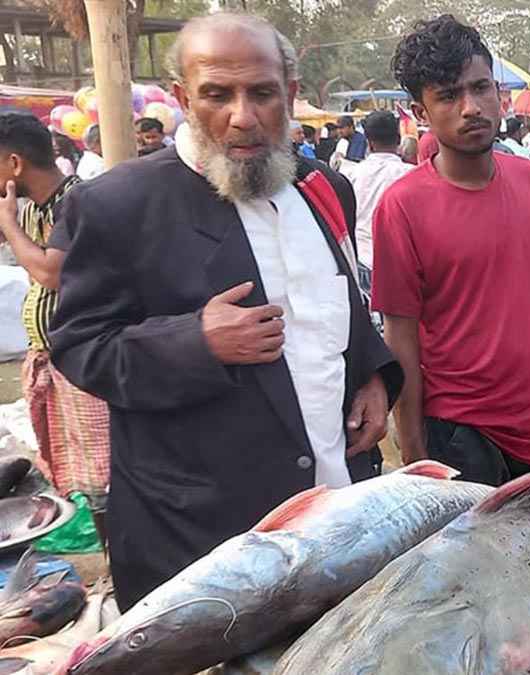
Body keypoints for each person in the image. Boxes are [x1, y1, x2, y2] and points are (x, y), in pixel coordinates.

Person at [48, 13, 402, 610]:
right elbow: (80, 346)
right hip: (204, 538)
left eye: (262, 93)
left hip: (335, 505)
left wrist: (372, 374)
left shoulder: (321, 187)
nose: (243, 116)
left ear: (289, 93)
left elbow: (340, 299)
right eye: (217, 94)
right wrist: (196, 342)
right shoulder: (115, 205)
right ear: (184, 98)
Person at [376, 15, 530, 486]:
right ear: (421, 112)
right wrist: (414, 454)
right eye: (448, 96)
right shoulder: (402, 206)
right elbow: (401, 337)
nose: (471, 107)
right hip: (458, 434)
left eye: (480, 88)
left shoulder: (529, 179)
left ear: (498, 92)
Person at [0, 114, 110, 505]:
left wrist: (8, 224)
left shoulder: (78, 200)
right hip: (51, 359)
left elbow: (50, 273)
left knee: (101, 478)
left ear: (15, 164)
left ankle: (113, 540)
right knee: (70, 470)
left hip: (85, 360)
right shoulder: (31, 209)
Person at [349, 110, 413, 295]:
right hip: (402, 264)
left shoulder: (351, 174)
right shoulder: (412, 175)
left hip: (363, 259)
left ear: (368, 143)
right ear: (398, 139)